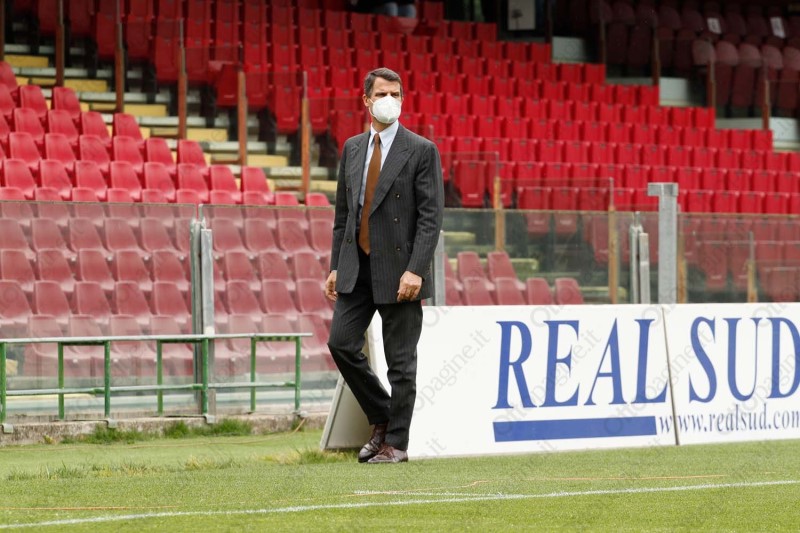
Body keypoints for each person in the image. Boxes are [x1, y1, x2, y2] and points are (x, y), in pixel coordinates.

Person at [325, 67, 444, 464]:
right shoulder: (352, 148)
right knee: (341, 343)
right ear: (367, 100)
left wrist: (417, 269)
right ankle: (382, 415)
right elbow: (344, 214)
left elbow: (430, 217)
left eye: (396, 94)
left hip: (400, 272)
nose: (389, 100)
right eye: (382, 94)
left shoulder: (421, 149)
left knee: (401, 364)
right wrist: (336, 266)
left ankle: (396, 444)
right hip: (356, 266)